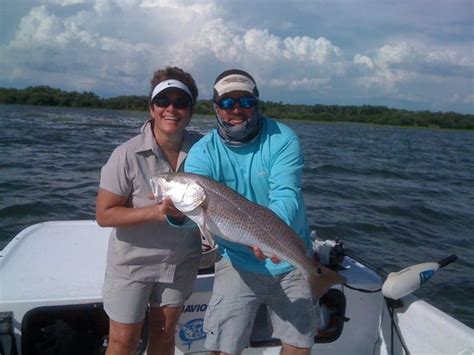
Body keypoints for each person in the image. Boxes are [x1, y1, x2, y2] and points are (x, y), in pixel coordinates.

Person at [184, 69, 318, 355]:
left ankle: (316, 275)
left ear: (256, 103)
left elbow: (287, 195)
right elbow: (192, 216)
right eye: (228, 103)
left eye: (245, 102)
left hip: (291, 255)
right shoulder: (202, 153)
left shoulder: (283, 139)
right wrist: (173, 214)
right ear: (216, 107)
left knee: (298, 345)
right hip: (236, 261)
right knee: (222, 348)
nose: (236, 110)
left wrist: (268, 237)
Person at [96, 66, 202, 355]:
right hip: (132, 263)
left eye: (180, 103)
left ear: (190, 111)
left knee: (165, 335)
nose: (171, 108)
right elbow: (105, 214)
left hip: (181, 261)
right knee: (122, 342)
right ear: (151, 108)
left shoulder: (204, 152)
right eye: (163, 101)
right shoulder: (126, 154)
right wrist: (157, 213)